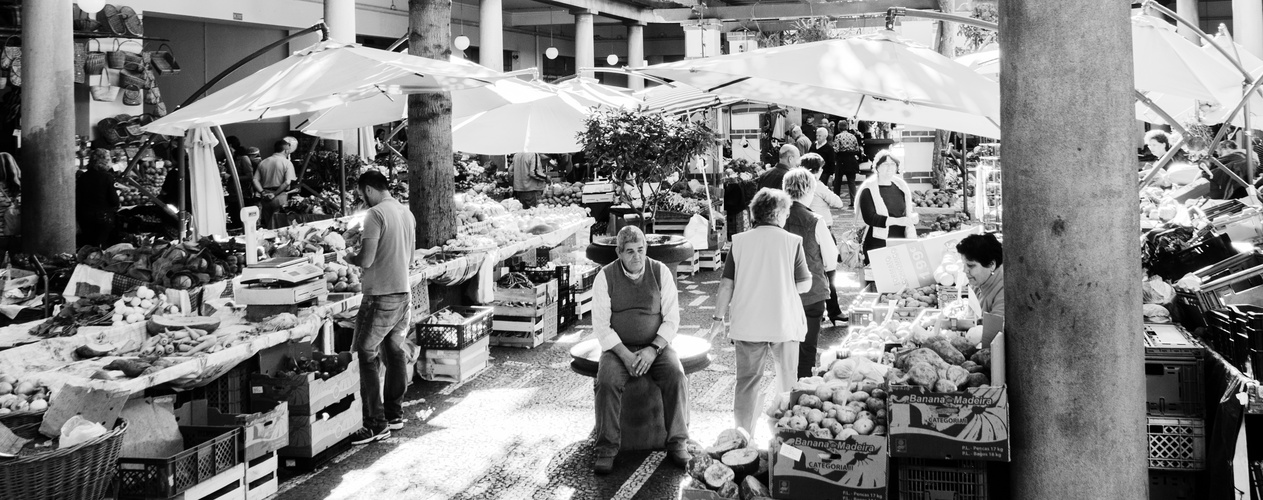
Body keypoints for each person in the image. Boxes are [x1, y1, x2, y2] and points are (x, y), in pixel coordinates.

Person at [590, 226, 690, 473]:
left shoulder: (660, 271)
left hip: (656, 346)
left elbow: (672, 320)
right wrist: (624, 355)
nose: (636, 256)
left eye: (641, 250)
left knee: (676, 376)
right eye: (630, 251)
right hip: (617, 348)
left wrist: (652, 349)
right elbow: (601, 326)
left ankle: (678, 442)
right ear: (619, 253)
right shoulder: (605, 277)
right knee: (607, 381)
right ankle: (606, 449)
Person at [713, 188, 812, 434]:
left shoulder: (740, 242)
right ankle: (785, 435)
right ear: (777, 213)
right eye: (786, 211)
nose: (787, 216)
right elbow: (804, 284)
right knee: (787, 382)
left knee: (746, 383)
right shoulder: (792, 242)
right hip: (784, 322)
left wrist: (717, 318)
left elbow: (726, 284)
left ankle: (743, 436)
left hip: (748, 323)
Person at [346, 169, 417, 445]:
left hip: (381, 296)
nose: (362, 199)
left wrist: (349, 256)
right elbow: (410, 258)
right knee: (394, 350)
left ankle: (375, 423)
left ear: (369, 189)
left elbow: (365, 260)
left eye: (361, 194)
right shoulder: (405, 213)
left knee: (364, 354)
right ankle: (394, 414)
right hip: (403, 293)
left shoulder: (375, 215)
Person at [781, 168, 838, 376]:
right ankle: (801, 396)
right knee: (807, 351)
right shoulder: (815, 220)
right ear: (810, 191)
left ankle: (784, 389)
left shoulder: (772, 219)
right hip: (811, 294)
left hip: (780, 294)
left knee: (783, 351)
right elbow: (831, 261)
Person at [799, 153, 847, 323]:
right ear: (816, 170)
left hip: (803, 231)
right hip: (822, 228)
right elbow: (838, 202)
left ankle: (815, 309)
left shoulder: (797, 183)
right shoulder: (817, 185)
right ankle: (834, 311)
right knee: (829, 271)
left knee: (810, 270)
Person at [856, 151, 917, 264]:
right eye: (885, 164)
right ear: (877, 167)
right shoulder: (869, 189)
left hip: (899, 241)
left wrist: (911, 218)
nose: (889, 167)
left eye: (893, 164)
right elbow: (870, 218)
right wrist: (898, 221)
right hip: (876, 243)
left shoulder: (901, 187)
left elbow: (903, 212)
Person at [77, 148, 120, 247]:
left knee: (88, 245)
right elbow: (114, 201)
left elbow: (78, 199)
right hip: (102, 218)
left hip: (85, 218)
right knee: (100, 246)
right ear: (105, 162)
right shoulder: (107, 178)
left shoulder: (83, 177)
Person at [956, 233, 1004, 316]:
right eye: (964, 265)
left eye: (970, 265)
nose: (965, 270)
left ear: (991, 265)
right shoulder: (978, 282)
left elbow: (995, 326)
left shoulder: (1004, 292)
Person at [253, 140, 296, 228]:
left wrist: (262, 192)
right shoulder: (287, 163)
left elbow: (254, 180)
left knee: (268, 225)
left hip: (265, 197)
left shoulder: (263, 162)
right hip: (280, 196)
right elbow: (287, 182)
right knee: (280, 225)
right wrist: (275, 194)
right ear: (286, 150)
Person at [832, 119, 866, 205]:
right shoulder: (853, 136)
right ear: (847, 127)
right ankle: (853, 200)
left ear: (839, 127)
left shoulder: (838, 136)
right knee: (851, 181)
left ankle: (837, 200)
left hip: (841, 159)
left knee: (838, 181)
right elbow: (857, 149)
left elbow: (836, 149)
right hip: (851, 159)